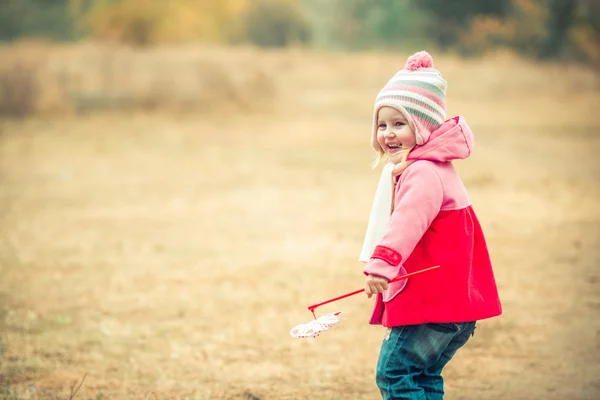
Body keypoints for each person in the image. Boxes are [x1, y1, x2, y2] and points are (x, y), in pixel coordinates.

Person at [358, 51, 502, 400]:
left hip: (432, 305)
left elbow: (407, 222)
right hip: (452, 306)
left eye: (399, 124)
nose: (388, 134)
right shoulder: (435, 166)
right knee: (422, 376)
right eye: (382, 125)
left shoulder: (422, 173)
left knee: (395, 373)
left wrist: (382, 264)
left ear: (422, 126)